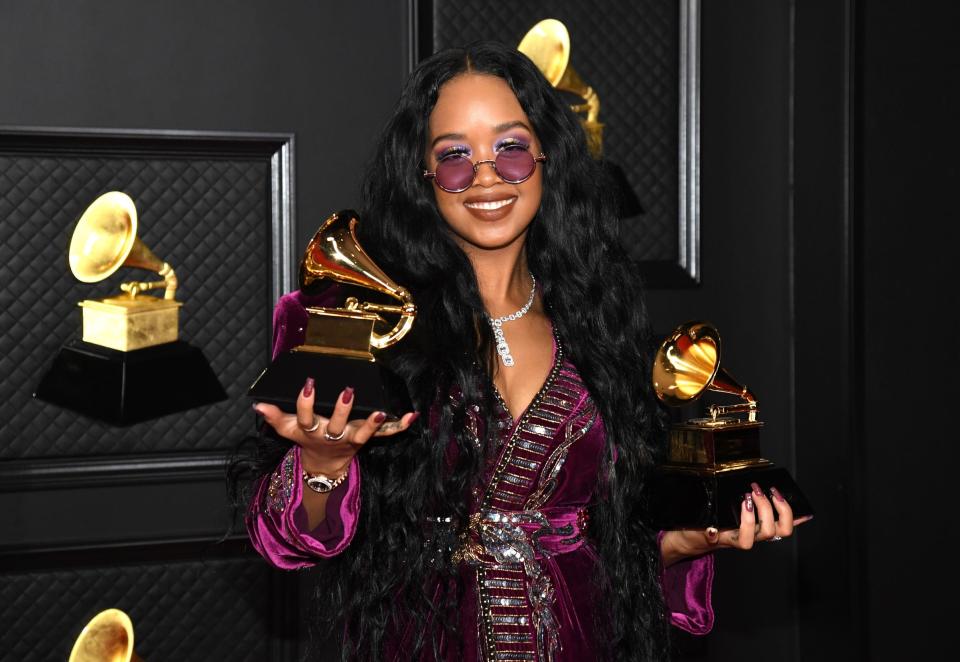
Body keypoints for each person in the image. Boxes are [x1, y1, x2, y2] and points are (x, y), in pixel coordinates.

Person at [244, 41, 805, 661]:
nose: (485, 175)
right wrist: (324, 461)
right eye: (455, 156)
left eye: (509, 148)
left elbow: (607, 548)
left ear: (545, 156)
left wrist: (694, 542)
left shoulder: (603, 325)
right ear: (424, 178)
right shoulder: (358, 324)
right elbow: (293, 539)